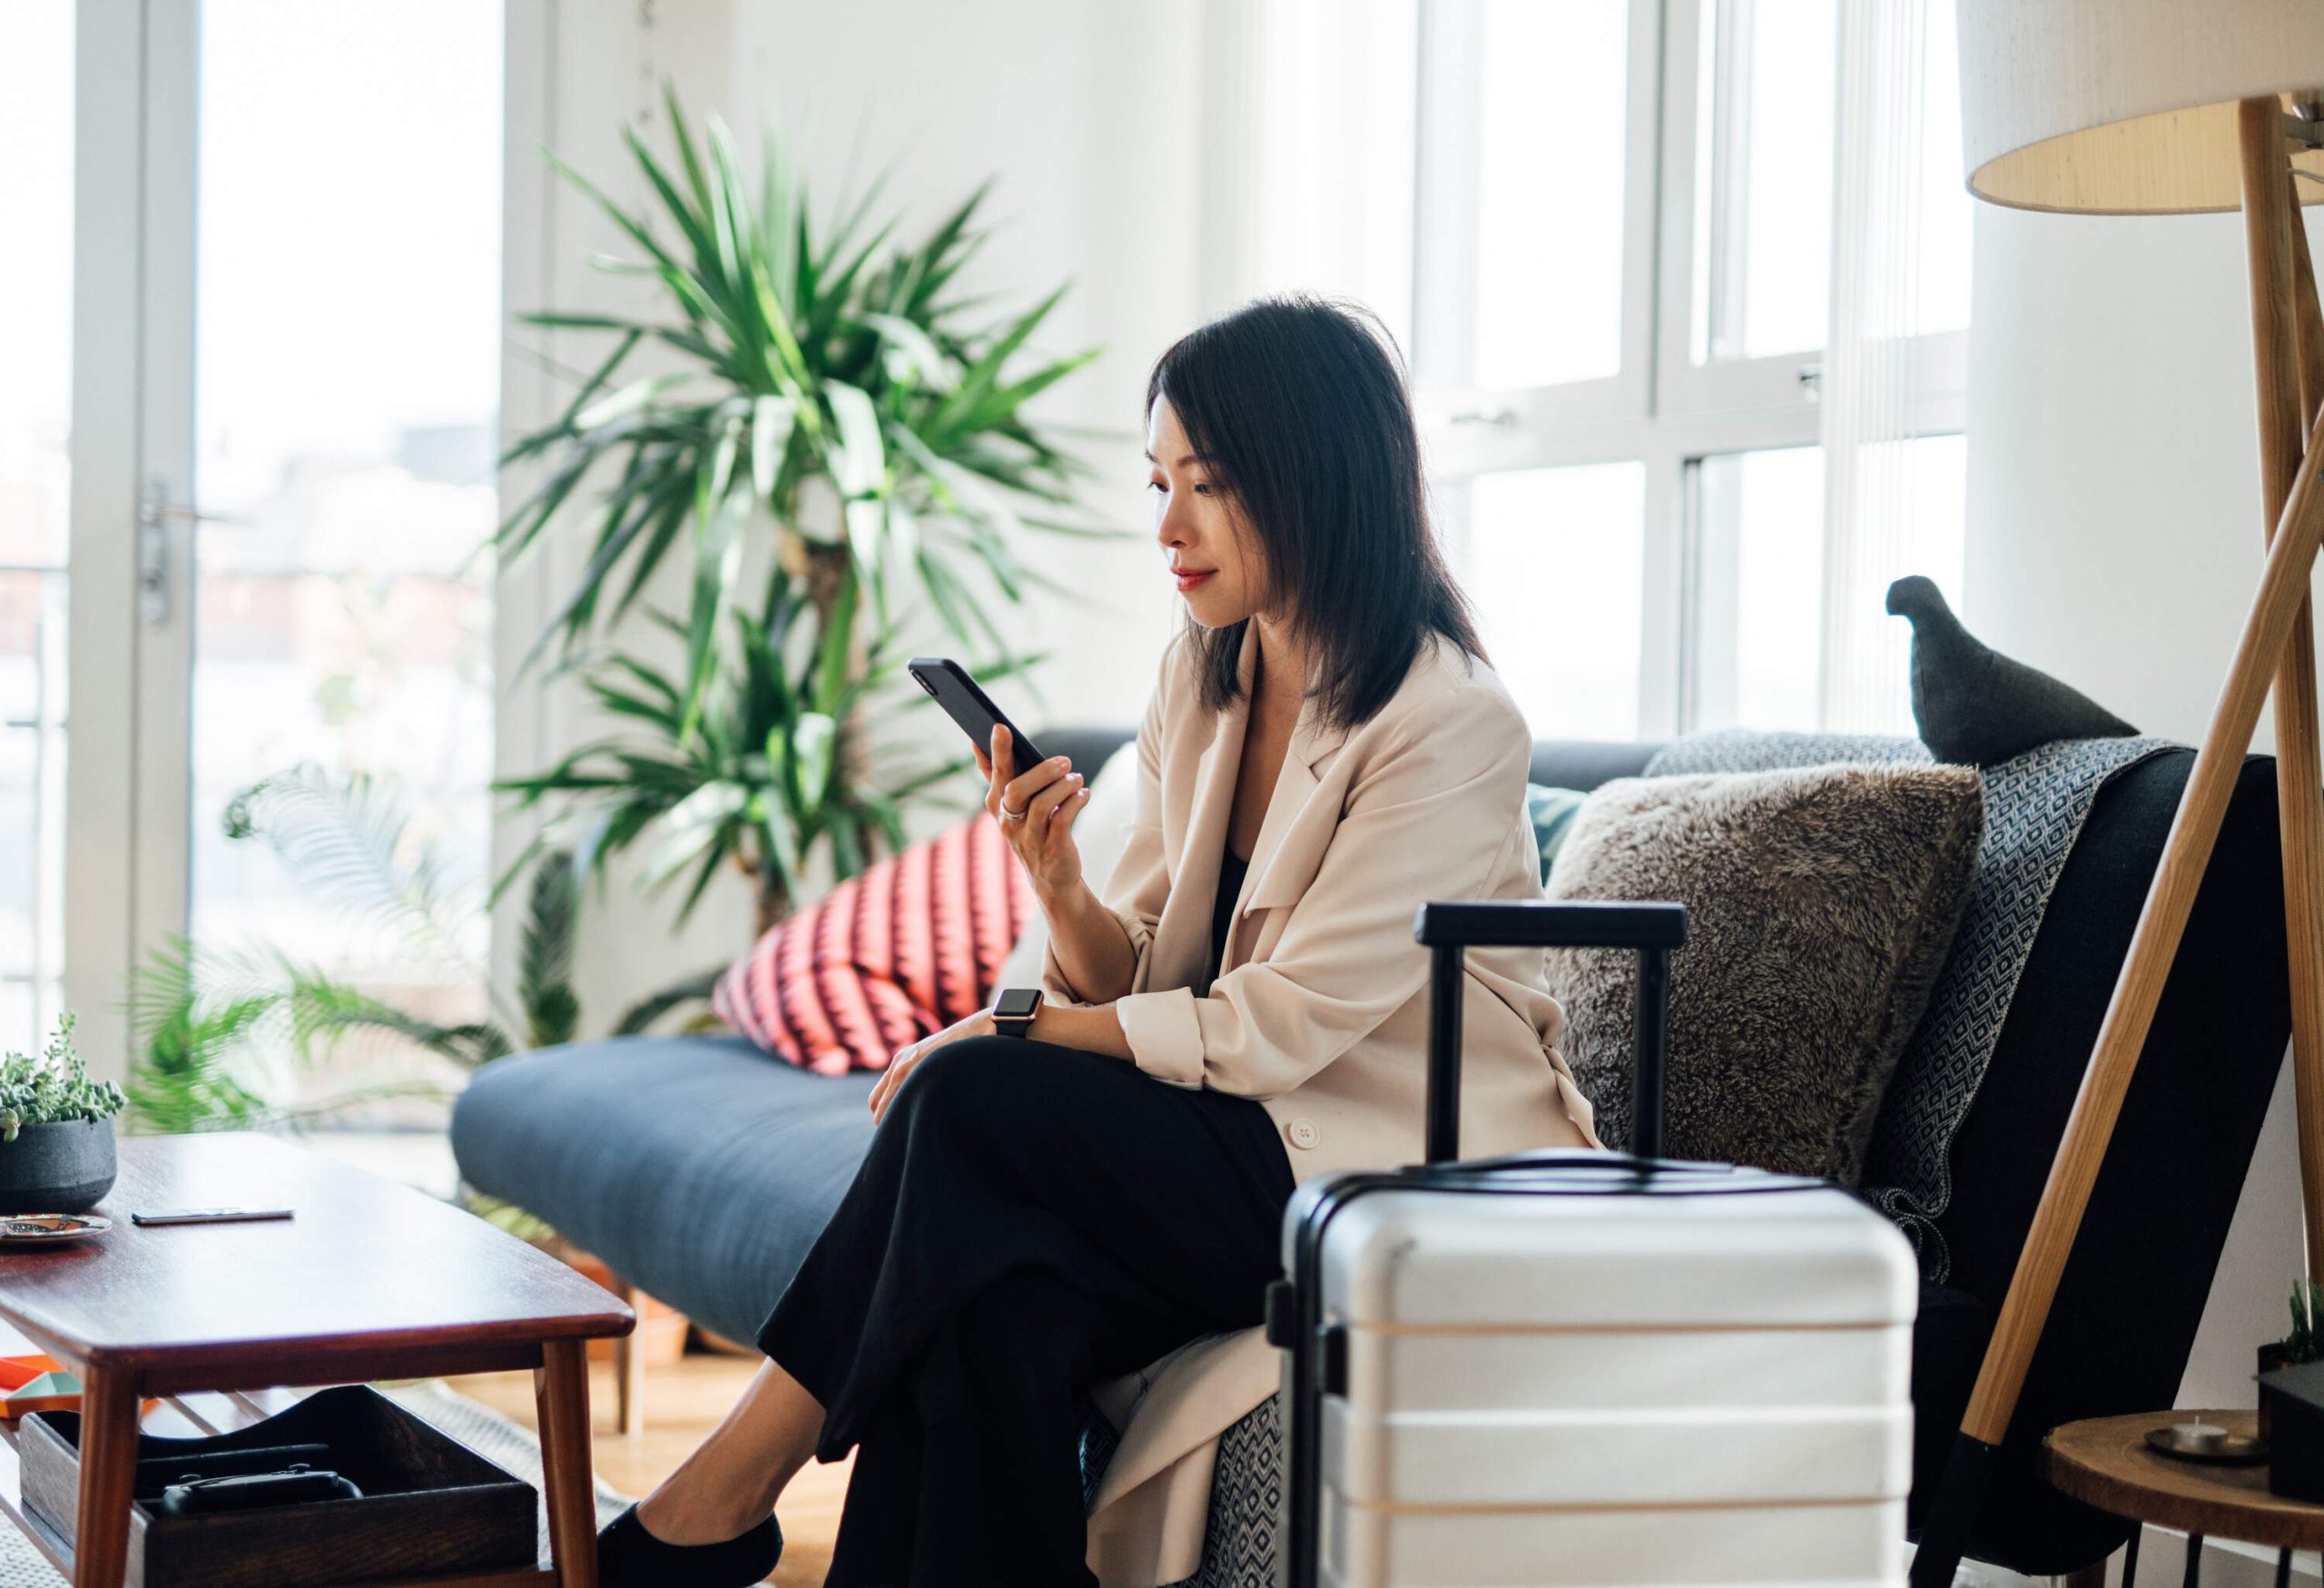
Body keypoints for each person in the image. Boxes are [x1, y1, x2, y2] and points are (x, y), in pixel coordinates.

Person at [593, 294, 1600, 1588]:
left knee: (968, 1095)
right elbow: (1147, 976)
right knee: (992, 1305)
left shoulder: (1452, 722)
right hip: (1234, 1137)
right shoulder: (1206, 672)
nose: (1169, 526)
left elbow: (1282, 1020)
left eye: (1210, 484)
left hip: (1380, 1166)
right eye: (1159, 481)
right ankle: (721, 1519)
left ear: (1314, 479)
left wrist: (1012, 1021)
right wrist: (1058, 885)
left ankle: (719, 1495)